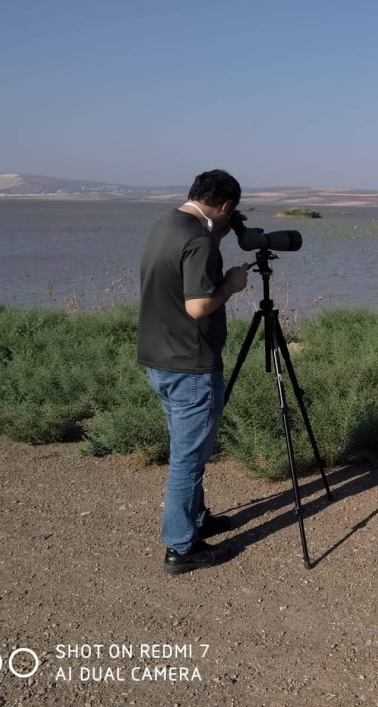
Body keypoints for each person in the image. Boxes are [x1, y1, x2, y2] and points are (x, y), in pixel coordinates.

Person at [137, 169, 251, 575]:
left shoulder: (166, 226)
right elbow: (199, 305)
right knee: (188, 459)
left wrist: (217, 234)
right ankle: (181, 548)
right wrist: (232, 285)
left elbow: (181, 271)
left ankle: (197, 519)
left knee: (188, 449)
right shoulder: (199, 240)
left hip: (159, 358)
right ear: (224, 206)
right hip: (192, 364)